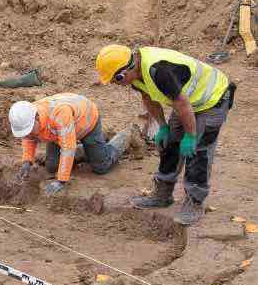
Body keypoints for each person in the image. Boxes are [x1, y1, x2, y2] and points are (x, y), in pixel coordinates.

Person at [95, 44, 235, 225]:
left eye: (116, 79)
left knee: (197, 151)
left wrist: (191, 136)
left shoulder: (159, 70)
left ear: (126, 70)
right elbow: (148, 98)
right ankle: (163, 194)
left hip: (213, 98)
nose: (117, 84)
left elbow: (182, 104)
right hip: (187, 101)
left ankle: (195, 201)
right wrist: (163, 126)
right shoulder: (135, 74)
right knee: (171, 143)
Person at [9, 93, 129, 196]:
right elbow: (29, 138)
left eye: (29, 130)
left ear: (37, 118)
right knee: (51, 167)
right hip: (59, 133)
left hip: (87, 122)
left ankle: (126, 135)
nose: (28, 134)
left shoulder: (59, 114)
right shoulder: (27, 115)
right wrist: (27, 162)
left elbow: (68, 148)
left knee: (101, 166)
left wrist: (61, 181)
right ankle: (90, 148)